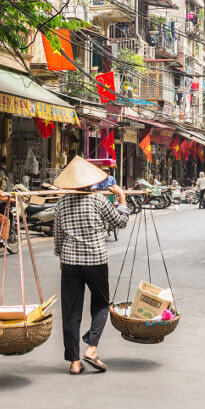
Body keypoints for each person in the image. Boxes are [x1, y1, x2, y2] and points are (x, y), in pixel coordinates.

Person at [53, 156, 129, 375]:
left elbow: (57, 236)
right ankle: (92, 347)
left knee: (70, 311)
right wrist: (122, 196)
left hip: (69, 262)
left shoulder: (61, 203)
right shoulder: (98, 200)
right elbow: (120, 222)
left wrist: (61, 256)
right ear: (90, 183)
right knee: (102, 305)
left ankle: (74, 362)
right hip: (95, 259)